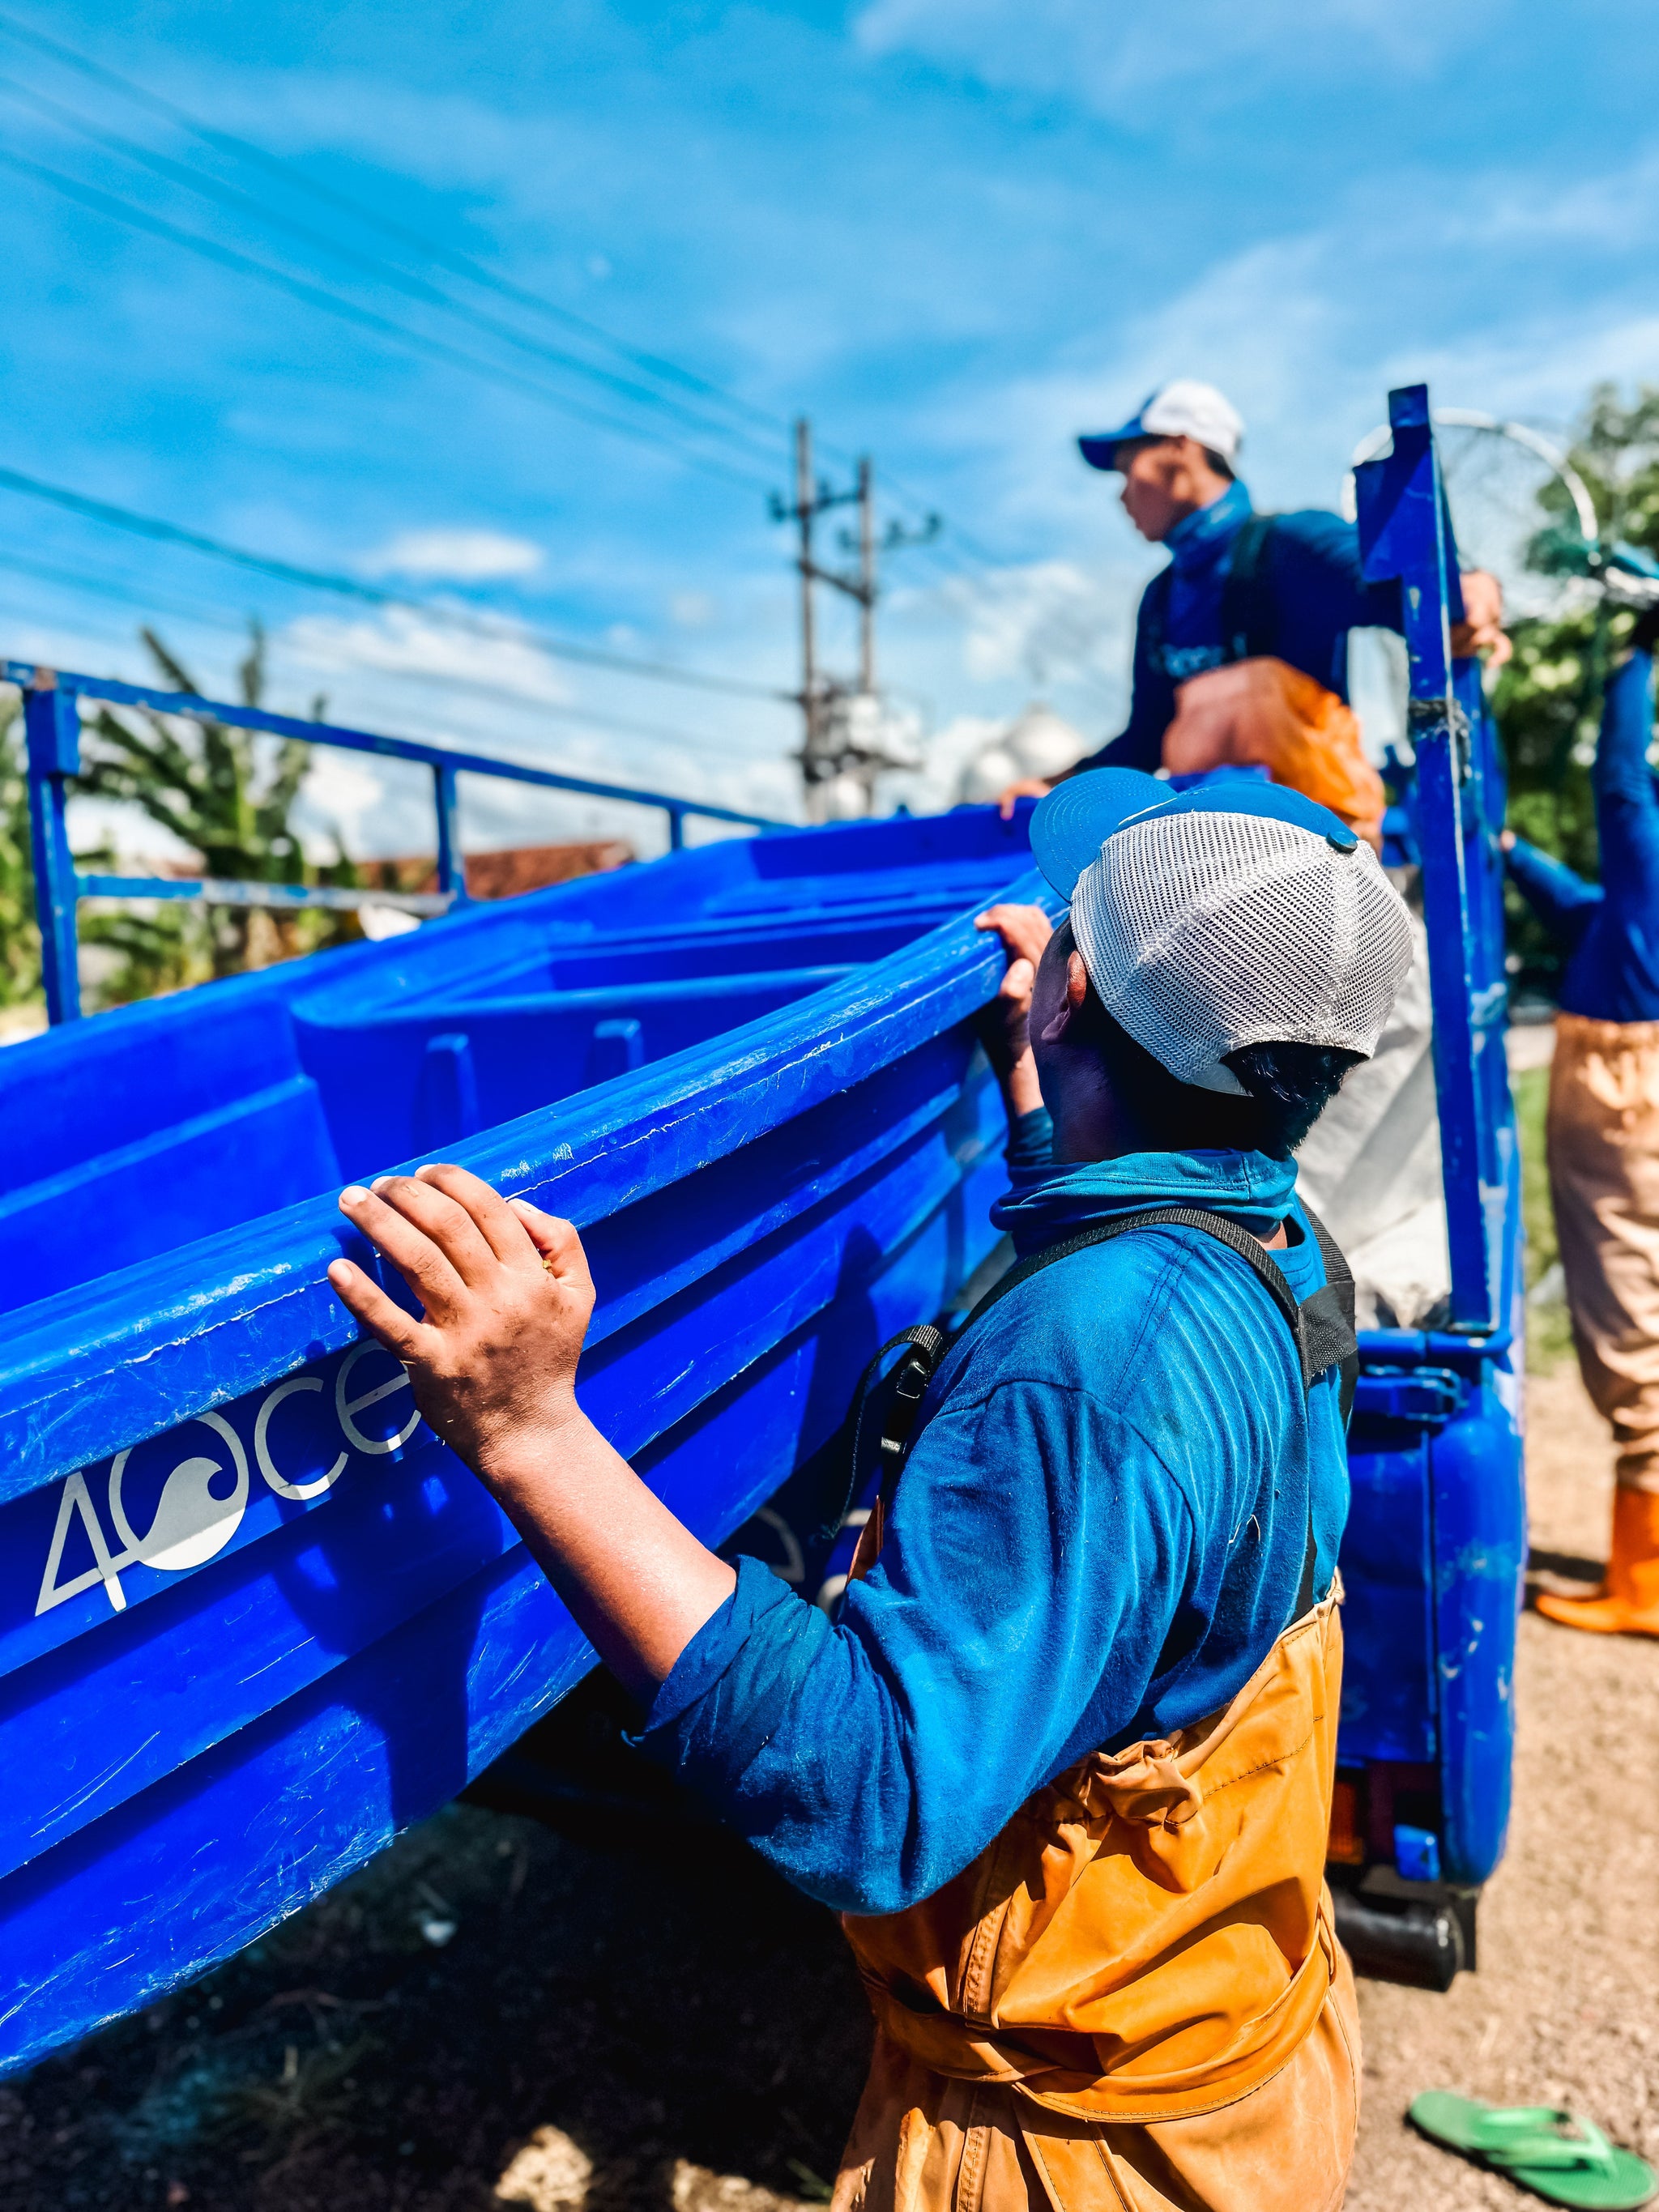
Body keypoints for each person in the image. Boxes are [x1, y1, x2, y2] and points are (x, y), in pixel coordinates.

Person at [326, 770, 1414, 2212]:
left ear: (1073, 986)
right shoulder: (1270, 1240)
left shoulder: (1092, 1370)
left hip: (1067, 2153)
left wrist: (530, 1428)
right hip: (1226, 2045)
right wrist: (1040, 1080)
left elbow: (870, 1792)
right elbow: (1122, 1324)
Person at [996, 379, 1508, 830]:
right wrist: (1058, 790)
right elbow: (1146, 739)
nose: (1122, 495)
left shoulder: (1290, 544)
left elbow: (1413, 599)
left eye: (1129, 469)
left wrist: (1470, 593)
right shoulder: (1159, 599)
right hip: (1207, 848)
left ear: (1179, 448)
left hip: (1321, 845)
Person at [1503, 631, 1659, 1637]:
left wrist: (1634, 659)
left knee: (1628, 1311)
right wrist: (1512, 854)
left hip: (1620, 1085)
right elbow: (1585, 913)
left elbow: (1617, 787)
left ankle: (1643, 1582)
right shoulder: (1635, 910)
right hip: (1621, 1074)